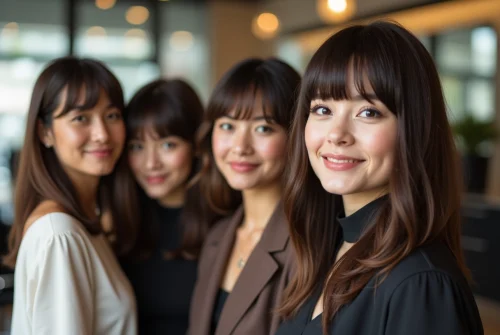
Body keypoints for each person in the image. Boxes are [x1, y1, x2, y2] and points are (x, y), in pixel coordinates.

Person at [275, 21, 484, 335]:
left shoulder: (420, 284)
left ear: (415, 130)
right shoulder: (325, 250)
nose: (336, 134)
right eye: (322, 109)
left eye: (368, 112)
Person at [6, 57, 138, 335]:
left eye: (112, 115)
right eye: (81, 118)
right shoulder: (59, 234)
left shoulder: (84, 221)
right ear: (45, 132)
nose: (102, 134)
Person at [188, 58, 300, 335]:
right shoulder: (218, 235)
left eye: (263, 128)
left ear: (295, 135)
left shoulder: (306, 247)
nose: (240, 146)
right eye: (227, 126)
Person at [121, 79, 215, 334]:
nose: (151, 163)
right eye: (137, 147)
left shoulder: (224, 225)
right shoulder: (119, 226)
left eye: (167, 145)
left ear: (196, 145)